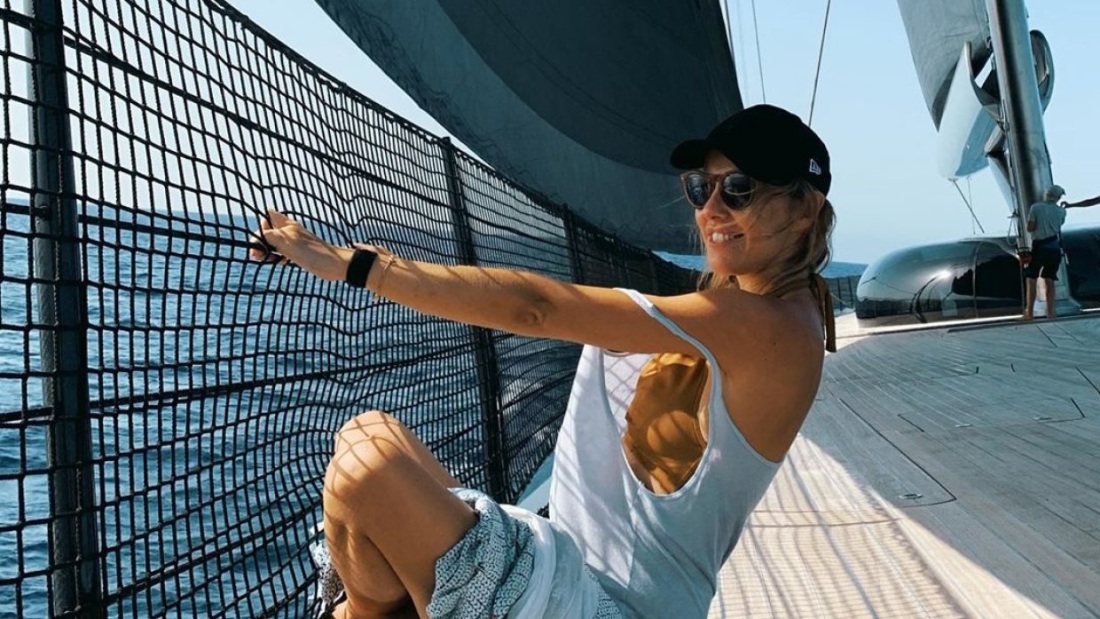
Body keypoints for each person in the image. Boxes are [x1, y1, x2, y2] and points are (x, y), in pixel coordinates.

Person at [249, 104, 836, 619]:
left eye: (739, 189)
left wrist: (355, 266)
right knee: (367, 433)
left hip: (611, 605)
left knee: (367, 470)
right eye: (701, 187)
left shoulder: (766, 325)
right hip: (562, 566)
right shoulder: (751, 309)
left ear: (805, 207)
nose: (711, 209)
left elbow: (536, 308)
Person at [1023, 185, 1068, 320]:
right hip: (1054, 248)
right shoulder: (1062, 211)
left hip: (1039, 247)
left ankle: (1029, 313)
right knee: (1050, 279)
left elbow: (1030, 228)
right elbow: (1058, 226)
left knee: (1032, 279)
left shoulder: (1035, 208)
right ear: (1058, 197)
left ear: (1046, 195)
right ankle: (1051, 312)